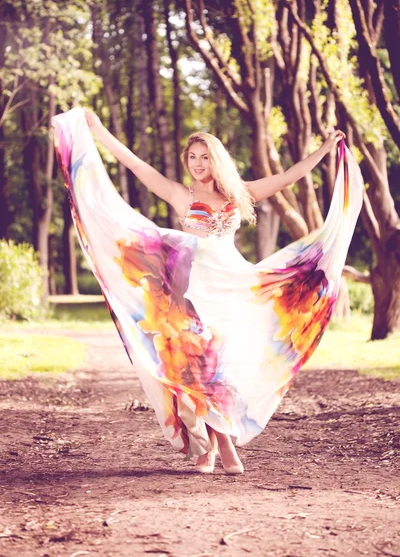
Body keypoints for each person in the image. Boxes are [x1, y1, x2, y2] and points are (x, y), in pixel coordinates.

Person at [52, 107, 362, 476]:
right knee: (193, 370)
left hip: (231, 289)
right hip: (191, 292)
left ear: (216, 161)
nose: (198, 164)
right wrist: (98, 129)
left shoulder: (239, 195)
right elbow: (136, 165)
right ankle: (220, 449)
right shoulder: (182, 195)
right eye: (192, 158)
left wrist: (326, 150)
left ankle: (209, 452)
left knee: (218, 372)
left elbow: (287, 176)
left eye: (204, 157)